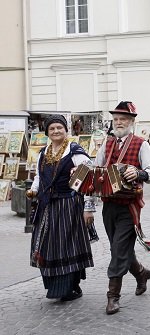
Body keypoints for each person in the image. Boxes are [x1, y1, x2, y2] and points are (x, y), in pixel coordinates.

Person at [94, 101, 150, 315]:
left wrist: (138, 173)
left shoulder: (141, 144)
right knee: (119, 249)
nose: (119, 122)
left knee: (119, 250)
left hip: (129, 206)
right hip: (109, 205)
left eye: (123, 119)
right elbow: (96, 168)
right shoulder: (107, 143)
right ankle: (141, 273)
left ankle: (113, 297)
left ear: (132, 122)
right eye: (116, 119)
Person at [27, 115, 94, 301]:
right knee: (45, 246)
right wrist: (33, 190)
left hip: (69, 205)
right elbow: (40, 176)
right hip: (46, 206)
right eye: (52, 129)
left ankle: (70, 288)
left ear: (66, 130)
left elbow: (90, 181)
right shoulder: (44, 152)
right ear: (47, 132)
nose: (56, 131)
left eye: (59, 127)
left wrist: (88, 207)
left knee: (66, 247)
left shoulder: (75, 152)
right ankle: (53, 286)